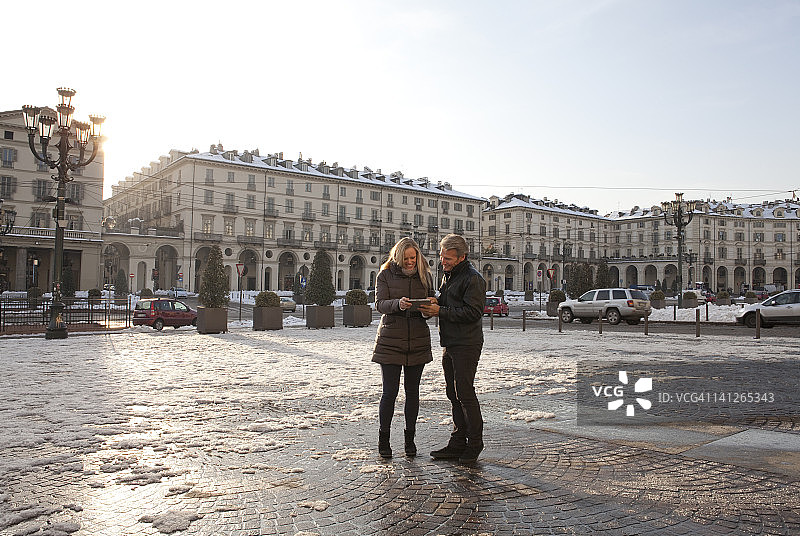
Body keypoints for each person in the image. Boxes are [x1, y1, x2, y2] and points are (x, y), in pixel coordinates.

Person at [419, 234, 486, 463]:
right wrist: (436, 302)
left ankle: (475, 444)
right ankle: (458, 442)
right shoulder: (450, 275)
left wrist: (441, 311)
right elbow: (452, 303)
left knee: (465, 393)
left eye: (447, 258)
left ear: (461, 257)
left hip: (467, 343)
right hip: (452, 342)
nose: (442, 261)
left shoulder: (473, 278)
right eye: (441, 256)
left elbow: (473, 312)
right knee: (453, 393)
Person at [372, 237, 435, 458]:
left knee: (413, 393)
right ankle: (384, 440)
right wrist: (398, 304)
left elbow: (432, 301)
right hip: (391, 339)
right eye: (406, 258)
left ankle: (410, 440)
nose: (410, 262)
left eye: (413, 257)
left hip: (417, 339)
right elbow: (380, 304)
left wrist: (428, 309)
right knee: (389, 392)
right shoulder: (385, 274)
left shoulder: (425, 275)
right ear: (397, 257)